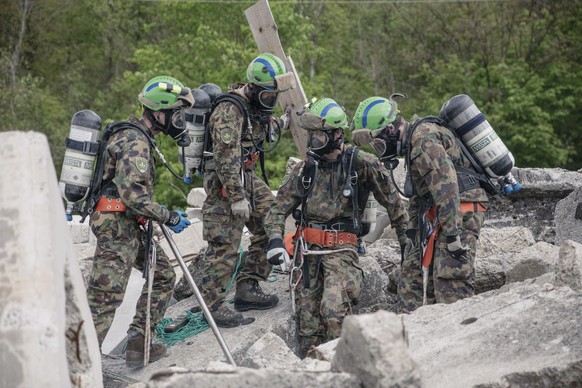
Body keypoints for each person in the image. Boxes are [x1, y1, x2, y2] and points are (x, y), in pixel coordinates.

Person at [264, 98, 408, 355]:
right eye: (312, 135)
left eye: (319, 135)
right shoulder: (304, 169)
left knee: (333, 313)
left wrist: (408, 246)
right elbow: (277, 209)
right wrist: (275, 241)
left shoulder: (362, 164)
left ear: (337, 135)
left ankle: (345, 370)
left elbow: (395, 205)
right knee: (308, 327)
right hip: (306, 254)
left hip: (342, 252)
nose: (313, 141)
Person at [85, 75, 193, 368]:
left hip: (127, 223)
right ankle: (80, 368)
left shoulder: (136, 137)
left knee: (162, 276)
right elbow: (133, 196)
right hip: (117, 225)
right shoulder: (135, 143)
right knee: (106, 296)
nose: (179, 120)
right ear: (159, 113)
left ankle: (138, 342)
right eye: (176, 113)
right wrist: (168, 216)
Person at [351, 95, 489, 313]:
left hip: (460, 211)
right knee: (410, 280)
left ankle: (457, 333)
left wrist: (453, 235)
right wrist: (412, 238)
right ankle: (412, 333)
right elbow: (419, 197)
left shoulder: (423, 140)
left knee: (450, 283)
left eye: (378, 143)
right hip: (439, 215)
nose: (379, 150)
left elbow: (447, 188)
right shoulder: (413, 144)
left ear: (390, 131)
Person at [199, 53, 295, 327]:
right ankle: (211, 305)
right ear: (252, 88)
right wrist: (237, 197)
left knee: (271, 222)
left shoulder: (252, 108)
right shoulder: (229, 110)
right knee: (225, 244)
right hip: (224, 184)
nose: (271, 103)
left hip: (246, 175)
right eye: (267, 97)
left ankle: (247, 287)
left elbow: (260, 127)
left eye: (273, 97)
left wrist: (285, 122)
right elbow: (224, 157)